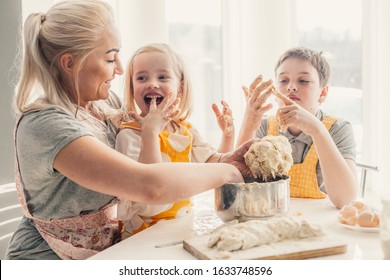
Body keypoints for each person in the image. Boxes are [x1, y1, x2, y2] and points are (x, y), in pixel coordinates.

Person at [6, 0, 254, 260]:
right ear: (70, 63)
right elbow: (149, 186)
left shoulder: (103, 104)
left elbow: (161, 136)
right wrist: (231, 170)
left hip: (106, 249)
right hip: (48, 258)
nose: (122, 69)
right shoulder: (46, 125)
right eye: (110, 58)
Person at [115, 43, 235, 237]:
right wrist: (150, 132)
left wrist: (228, 136)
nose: (152, 83)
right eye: (141, 78)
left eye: (162, 77)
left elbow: (213, 166)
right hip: (141, 234)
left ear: (179, 88)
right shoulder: (129, 134)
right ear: (132, 87)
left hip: (180, 227)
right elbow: (149, 191)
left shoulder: (185, 129)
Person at [236, 46, 358, 208]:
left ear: (323, 93)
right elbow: (236, 185)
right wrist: (249, 123)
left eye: (303, 81)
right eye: (283, 80)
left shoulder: (339, 129)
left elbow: (346, 200)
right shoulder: (264, 127)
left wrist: (317, 130)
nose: (291, 87)